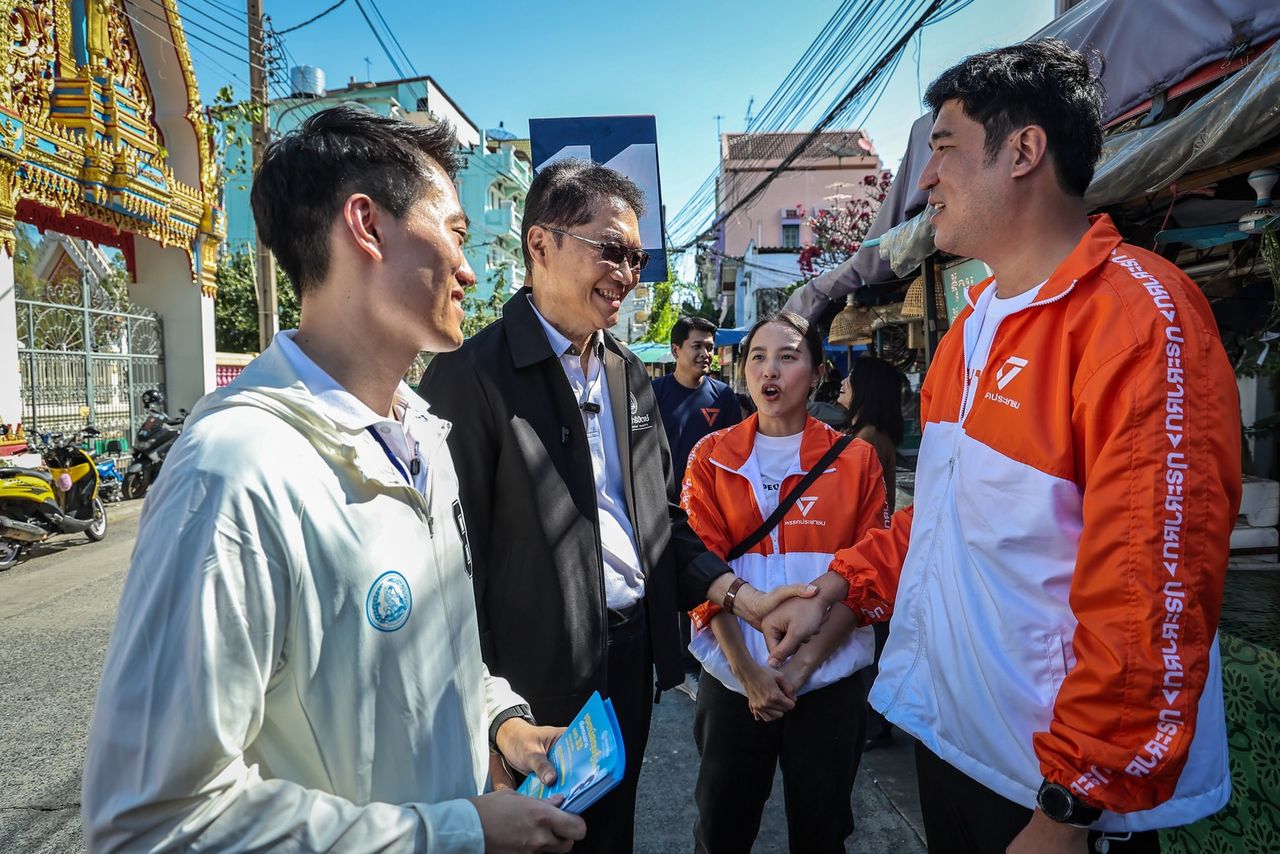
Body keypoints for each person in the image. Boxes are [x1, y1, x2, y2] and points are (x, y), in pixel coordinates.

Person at [763, 39, 1241, 854]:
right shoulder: (971, 329)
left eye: (944, 146)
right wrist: (841, 587)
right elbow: (948, 518)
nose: (925, 178)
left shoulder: (1138, 318)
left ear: (1023, 151)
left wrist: (1070, 806)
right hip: (955, 744)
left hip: (1049, 793)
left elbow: (1151, 590)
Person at [81, 106, 585, 853]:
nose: (470, 268)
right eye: (455, 233)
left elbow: (421, 659)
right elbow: (150, 822)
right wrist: (456, 832)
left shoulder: (422, 435)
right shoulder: (233, 471)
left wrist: (497, 721)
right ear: (367, 226)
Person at [418, 158, 811, 853]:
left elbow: (660, 519)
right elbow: (449, 572)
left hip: (627, 659)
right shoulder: (469, 377)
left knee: (610, 834)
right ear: (541, 245)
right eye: (611, 250)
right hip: (529, 679)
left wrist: (741, 597)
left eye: (636, 257)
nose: (627, 273)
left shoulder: (627, 371)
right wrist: (484, 722)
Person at [682, 311, 888, 853]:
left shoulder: (857, 460)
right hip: (732, 683)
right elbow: (700, 570)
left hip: (827, 686)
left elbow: (867, 581)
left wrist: (799, 669)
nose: (769, 370)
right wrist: (748, 673)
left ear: (817, 373)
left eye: (788, 357)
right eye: (758, 357)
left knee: (822, 834)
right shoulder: (710, 457)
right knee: (720, 831)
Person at [652, 315, 742, 700]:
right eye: (697, 346)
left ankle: (703, 660)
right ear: (676, 350)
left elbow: (736, 452)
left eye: (710, 347)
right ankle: (678, 667)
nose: (706, 353)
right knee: (669, 583)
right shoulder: (653, 393)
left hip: (712, 508)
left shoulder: (724, 397)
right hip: (665, 507)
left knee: (707, 580)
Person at [836, 356, 907, 750]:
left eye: (852, 378)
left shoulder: (866, 441)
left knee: (868, 643)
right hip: (871, 552)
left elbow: (849, 504)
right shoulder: (871, 435)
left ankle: (874, 723)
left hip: (866, 554)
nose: (843, 382)